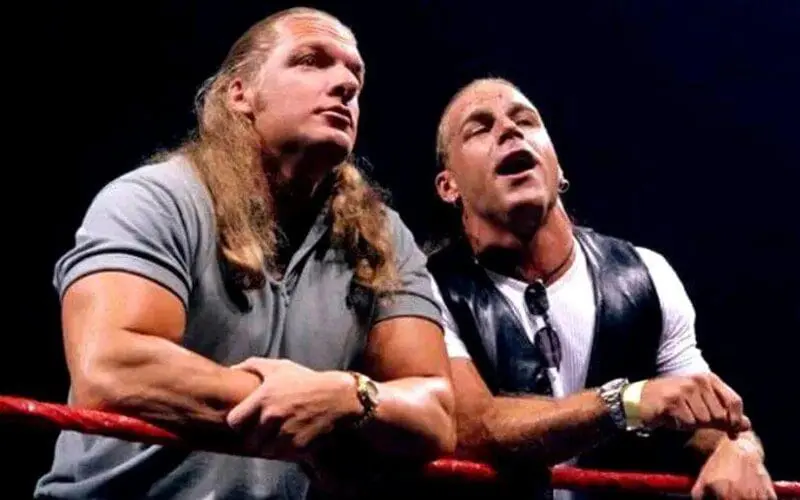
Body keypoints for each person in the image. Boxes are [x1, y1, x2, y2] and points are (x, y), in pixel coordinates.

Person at [35, 7, 456, 500]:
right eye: (310, 60)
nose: (345, 84)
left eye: (355, 77)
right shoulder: (155, 198)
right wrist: (314, 407)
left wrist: (347, 396)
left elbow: (436, 410)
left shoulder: (383, 237)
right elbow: (111, 367)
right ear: (240, 94)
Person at [427, 77, 776, 499]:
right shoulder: (427, 290)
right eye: (480, 128)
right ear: (448, 186)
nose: (509, 129)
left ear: (559, 171)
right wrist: (625, 403)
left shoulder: (645, 274)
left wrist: (738, 448)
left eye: (526, 120)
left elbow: (708, 412)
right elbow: (471, 428)